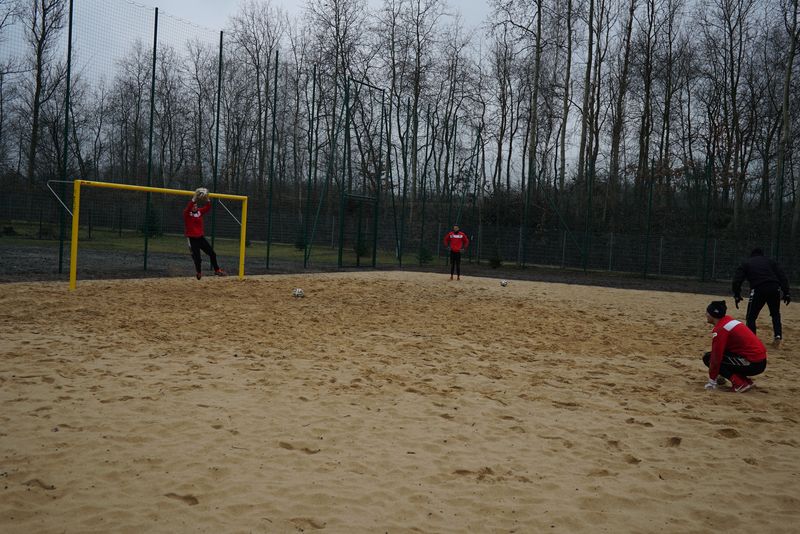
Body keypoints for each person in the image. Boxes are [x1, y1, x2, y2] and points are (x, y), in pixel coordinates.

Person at [702, 300, 767, 393]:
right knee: (719, 356)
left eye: (707, 312)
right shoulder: (729, 320)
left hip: (753, 363)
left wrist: (712, 381)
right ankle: (745, 381)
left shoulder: (721, 329)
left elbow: (716, 358)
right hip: (759, 360)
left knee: (708, 358)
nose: (706, 314)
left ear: (713, 314)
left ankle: (740, 383)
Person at [732, 247, 791, 347]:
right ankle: (777, 335)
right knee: (775, 314)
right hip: (774, 288)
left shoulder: (747, 263)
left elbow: (737, 280)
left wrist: (737, 294)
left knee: (751, 317)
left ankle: (752, 339)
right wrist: (786, 292)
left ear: (751, 255)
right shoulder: (770, 262)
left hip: (758, 288)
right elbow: (782, 276)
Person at [183, 187, 226, 280]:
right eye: (193, 206)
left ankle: (217, 270)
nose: (195, 207)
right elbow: (189, 207)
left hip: (200, 238)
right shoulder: (187, 214)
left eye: (196, 206)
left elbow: (208, 207)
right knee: (198, 258)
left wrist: (207, 199)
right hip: (192, 239)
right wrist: (194, 198)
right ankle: (198, 272)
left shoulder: (199, 212)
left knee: (212, 253)